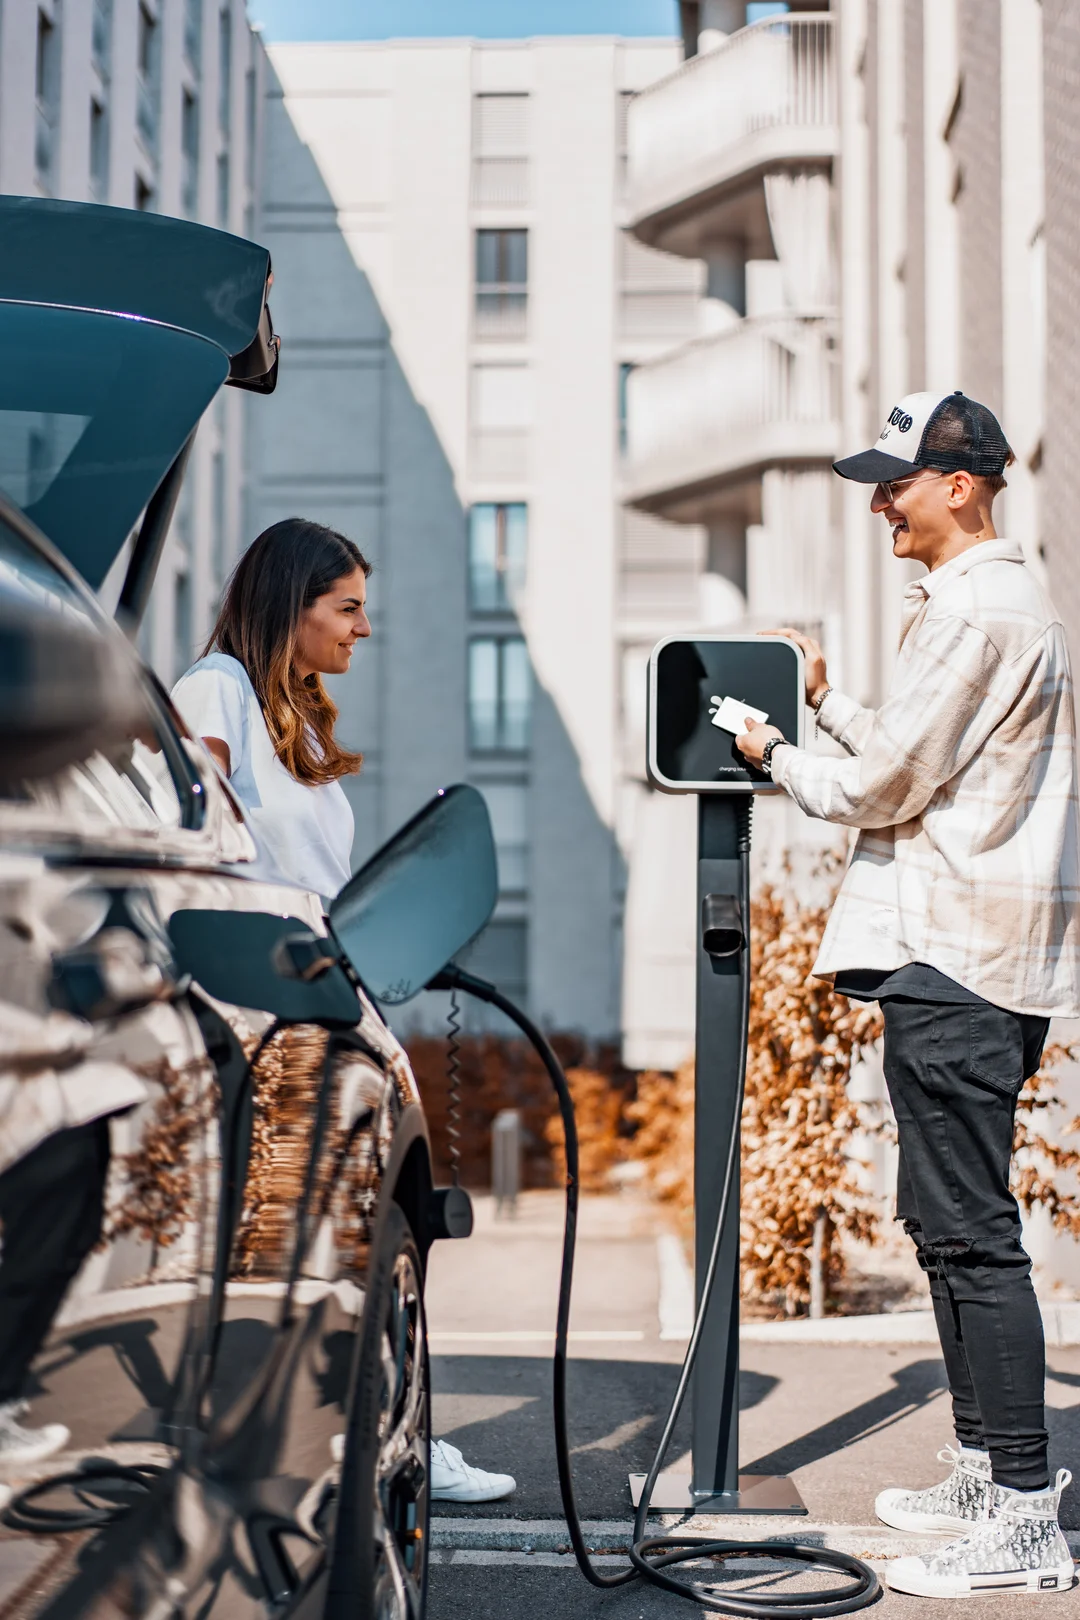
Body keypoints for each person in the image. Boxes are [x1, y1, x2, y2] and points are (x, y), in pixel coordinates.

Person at [737, 391, 1079, 1600]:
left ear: (965, 484)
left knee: (972, 1238)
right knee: (944, 1228)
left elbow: (880, 788)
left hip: (959, 959)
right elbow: (918, 755)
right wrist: (824, 702)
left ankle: (1028, 1512)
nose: (879, 501)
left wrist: (772, 751)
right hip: (972, 958)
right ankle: (991, 1471)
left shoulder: (978, 609)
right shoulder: (992, 606)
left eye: (897, 481)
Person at [173, 517, 515, 1506]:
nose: (365, 628)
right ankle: (316, 1453)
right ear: (291, 603)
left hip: (332, 1011)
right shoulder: (215, 692)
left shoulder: (302, 721)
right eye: (347, 607)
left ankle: (393, 1430)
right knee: (300, 1253)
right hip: (261, 1020)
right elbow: (197, 835)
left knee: (371, 1243)